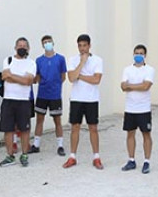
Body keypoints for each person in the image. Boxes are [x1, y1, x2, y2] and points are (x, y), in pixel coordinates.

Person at [64, 34, 104, 169]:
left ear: (89, 45)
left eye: (84, 45)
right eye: (80, 46)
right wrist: (82, 63)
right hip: (76, 98)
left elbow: (96, 80)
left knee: (93, 127)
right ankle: (72, 156)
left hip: (91, 99)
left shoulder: (98, 60)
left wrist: (79, 76)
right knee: (75, 127)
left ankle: (96, 157)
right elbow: (71, 78)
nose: (82, 48)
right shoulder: (72, 60)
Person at [0, 38, 37, 167]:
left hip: (24, 101)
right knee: (8, 129)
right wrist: (21, 78)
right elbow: (4, 77)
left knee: (25, 129)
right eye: (19, 45)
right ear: (15, 47)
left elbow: (28, 81)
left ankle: (24, 155)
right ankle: (10, 156)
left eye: (24, 46)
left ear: (28, 48)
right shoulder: (8, 60)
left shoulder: (31, 63)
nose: (22, 48)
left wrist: (12, 76)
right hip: (8, 99)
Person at [120, 44, 155, 174]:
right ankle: (131, 160)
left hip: (144, 109)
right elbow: (123, 86)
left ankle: (147, 161)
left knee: (146, 134)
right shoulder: (127, 69)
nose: (138, 55)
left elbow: (146, 86)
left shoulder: (149, 70)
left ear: (145, 55)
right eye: (136, 53)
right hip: (130, 108)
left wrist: (130, 86)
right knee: (130, 134)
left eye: (141, 53)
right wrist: (137, 85)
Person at [32, 35, 67, 155]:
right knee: (39, 120)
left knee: (57, 120)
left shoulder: (60, 59)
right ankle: (36, 145)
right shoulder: (39, 60)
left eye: (49, 41)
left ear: (53, 43)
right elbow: (37, 77)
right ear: (42, 45)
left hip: (55, 95)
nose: (47, 44)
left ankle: (60, 145)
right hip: (42, 94)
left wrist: (55, 85)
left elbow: (63, 77)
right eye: (45, 42)